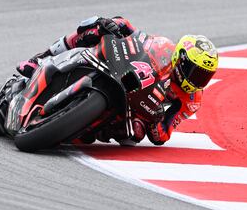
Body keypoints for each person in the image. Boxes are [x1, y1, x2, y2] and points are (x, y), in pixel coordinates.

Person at [17, 16, 219, 145]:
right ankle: (40, 59)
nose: (197, 79)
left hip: (140, 109)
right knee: (102, 24)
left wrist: (156, 119)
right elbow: (140, 39)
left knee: (135, 134)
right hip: (126, 70)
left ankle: (84, 125)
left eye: (205, 76)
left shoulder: (191, 100)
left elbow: (163, 134)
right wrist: (116, 26)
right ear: (181, 58)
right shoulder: (166, 48)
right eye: (196, 71)